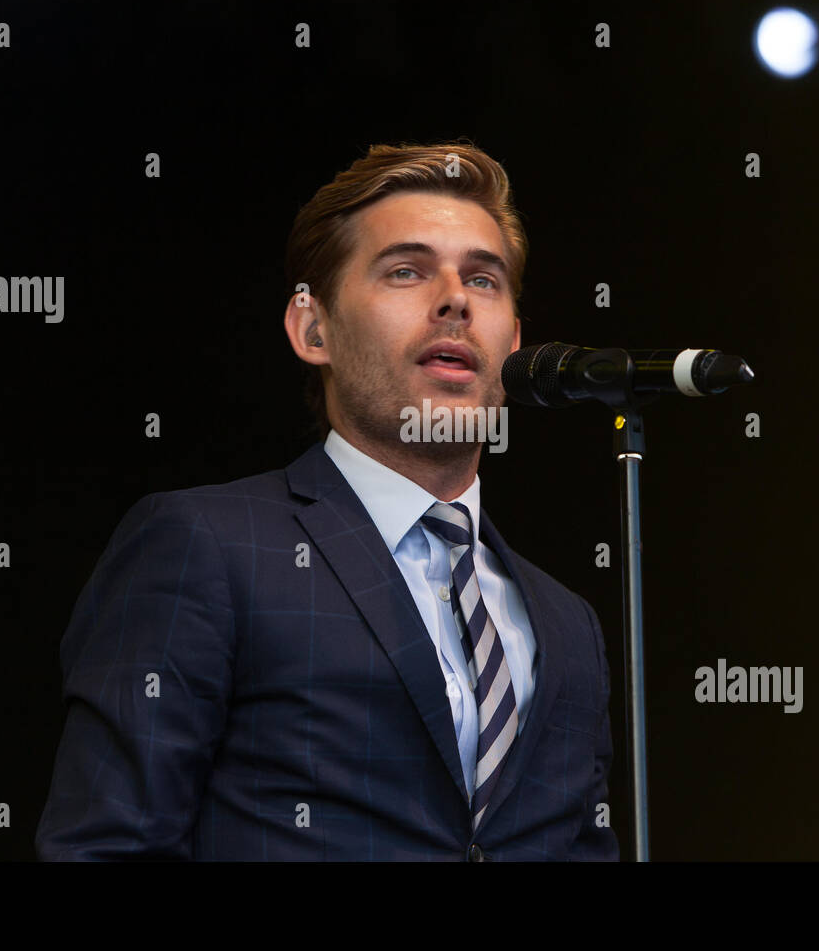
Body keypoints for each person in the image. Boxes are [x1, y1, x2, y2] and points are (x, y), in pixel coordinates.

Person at [35, 140, 619, 860]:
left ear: (516, 342)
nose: (455, 299)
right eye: (406, 270)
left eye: (484, 279)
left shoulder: (569, 624)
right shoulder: (205, 546)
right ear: (314, 329)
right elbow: (107, 846)